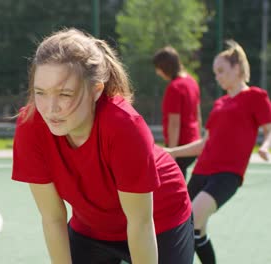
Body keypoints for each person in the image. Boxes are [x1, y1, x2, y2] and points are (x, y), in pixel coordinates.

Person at [12, 28, 194, 264]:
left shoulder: (123, 125)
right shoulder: (31, 126)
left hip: (158, 218)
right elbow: (52, 218)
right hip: (92, 227)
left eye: (65, 94)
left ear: (96, 90)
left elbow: (140, 223)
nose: (51, 108)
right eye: (41, 93)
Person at [165, 40, 271, 264]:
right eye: (215, 72)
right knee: (194, 229)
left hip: (227, 175)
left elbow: (269, 129)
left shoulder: (255, 96)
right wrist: (173, 152)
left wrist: (264, 145)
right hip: (201, 172)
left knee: (190, 220)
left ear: (238, 68)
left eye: (222, 70)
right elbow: (205, 143)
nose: (218, 76)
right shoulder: (220, 103)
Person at [153, 46, 202, 178]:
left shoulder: (174, 88)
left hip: (180, 145)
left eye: (158, 68)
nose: (157, 72)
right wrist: (199, 140)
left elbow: (174, 123)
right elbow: (198, 115)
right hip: (193, 142)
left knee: (171, 182)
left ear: (164, 67)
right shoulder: (192, 82)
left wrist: (172, 152)